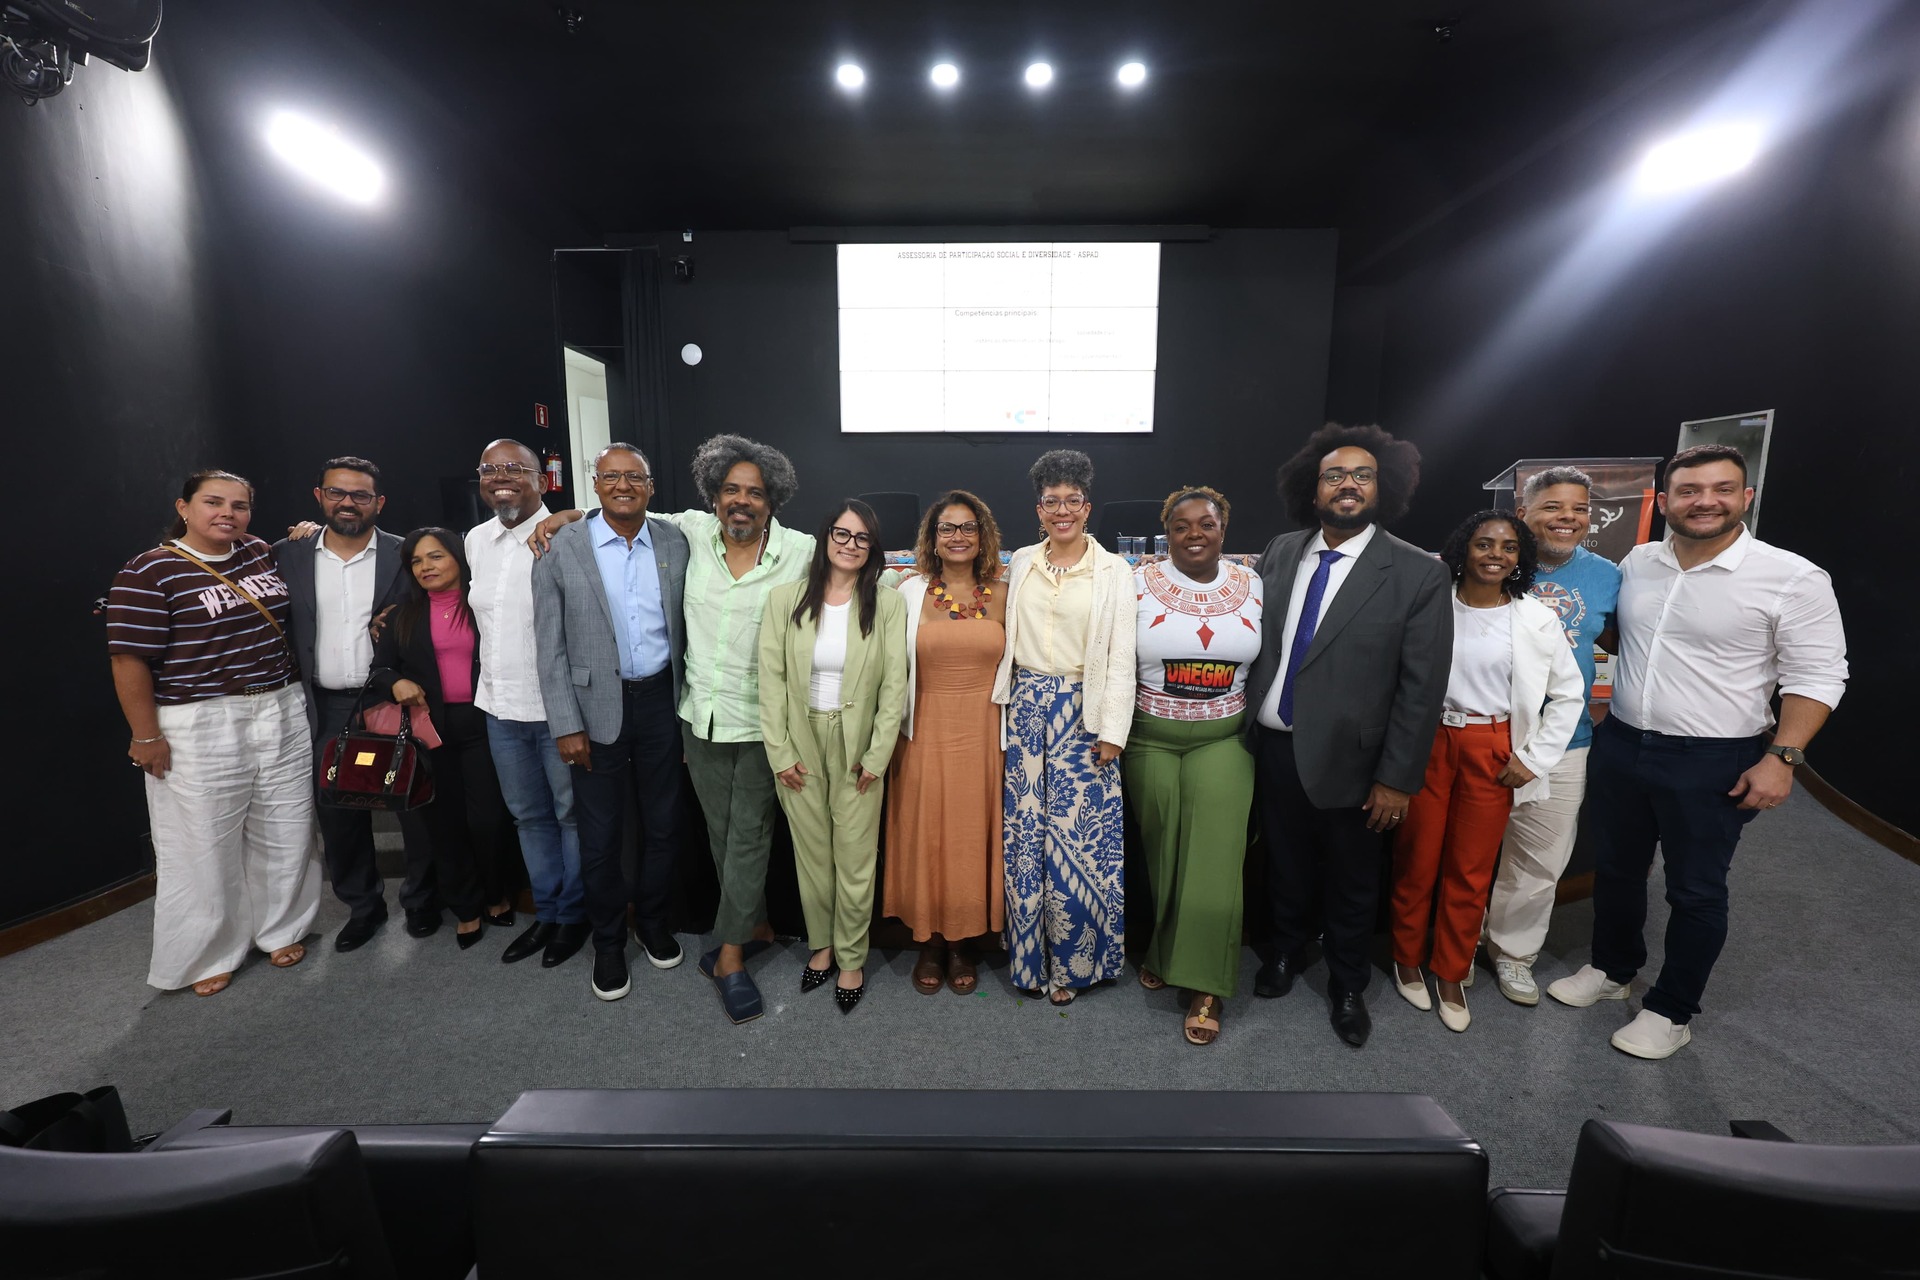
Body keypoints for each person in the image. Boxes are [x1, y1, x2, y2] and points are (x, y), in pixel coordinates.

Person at [1547, 445, 1847, 1059]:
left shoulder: (1792, 577)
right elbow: (1619, 636)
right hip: (1622, 743)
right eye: (1688, 490)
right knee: (1617, 870)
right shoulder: (1639, 561)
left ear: (1746, 497)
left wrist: (1783, 758)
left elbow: (1818, 674)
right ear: (1664, 502)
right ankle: (1612, 969)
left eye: (1721, 489)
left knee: (1696, 889)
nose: (1704, 501)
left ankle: (1671, 1009)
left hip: (1715, 759)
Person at [1244, 423, 1451, 1048]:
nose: (1348, 485)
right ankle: (1284, 952)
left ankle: (1347, 983)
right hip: (1273, 747)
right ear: (1313, 490)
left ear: (1382, 488)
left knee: (1353, 881)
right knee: (1283, 863)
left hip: (1358, 765)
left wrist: (1397, 779)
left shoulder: (1417, 573)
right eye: (1334, 475)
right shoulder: (1282, 551)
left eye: (1362, 475)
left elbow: (1421, 689)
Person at [106, 470, 320, 995]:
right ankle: (209, 952)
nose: (228, 513)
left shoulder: (259, 554)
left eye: (239, 505)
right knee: (201, 841)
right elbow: (129, 659)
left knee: (287, 825)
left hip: (280, 704)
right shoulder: (148, 570)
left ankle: (282, 929)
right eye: (213, 502)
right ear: (184, 507)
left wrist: (308, 533)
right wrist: (145, 735)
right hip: (200, 719)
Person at [1388, 511, 1584, 1032]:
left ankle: (1451, 971)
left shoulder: (1535, 617)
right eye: (1484, 543)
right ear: (1463, 549)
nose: (1496, 554)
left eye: (1509, 547)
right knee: (1416, 858)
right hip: (1429, 741)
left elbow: (1569, 694)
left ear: (1520, 557)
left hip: (1493, 747)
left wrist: (1533, 758)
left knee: (1471, 869)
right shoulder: (1432, 604)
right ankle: (1406, 958)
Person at [532, 444, 690, 1002]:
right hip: (591, 710)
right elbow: (548, 645)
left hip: (661, 703)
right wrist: (564, 724)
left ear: (650, 486)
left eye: (634, 477)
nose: (623, 485)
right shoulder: (559, 546)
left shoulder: (674, 540)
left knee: (663, 825)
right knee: (599, 837)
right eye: (611, 477)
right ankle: (608, 942)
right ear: (595, 484)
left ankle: (652, 922)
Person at [993, 449, 1137, 1005]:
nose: (1062, 511)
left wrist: (1113, 731)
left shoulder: (1114, 571)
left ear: (1087, 507)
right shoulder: (1022, 562)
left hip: (1086, 712)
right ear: (1039, 509)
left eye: (1072, 501)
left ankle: (1077, 966)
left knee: (1080, 845)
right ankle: (1031, 962)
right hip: (1026, 710)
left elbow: (1121, 656)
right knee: (1026, 840)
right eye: (1051, 501)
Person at [272, 457, 428, 951]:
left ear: (378, 503)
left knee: (415, 806)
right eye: (337, 492)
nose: (348, 503)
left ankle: (422, 901)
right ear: (318, 496)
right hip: (324, 705)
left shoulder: (407, 552)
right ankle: (363, 907)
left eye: (360, 495)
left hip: (393, 700)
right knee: (338, 813)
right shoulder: (287, 554)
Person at [759, 500, 908, 1014]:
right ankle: (821, 946)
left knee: (855, 858)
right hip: (799, 744)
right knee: (813, 856)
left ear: (873, 548)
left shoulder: (887, 604)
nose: (850, 545)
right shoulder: (784, 599)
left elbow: (894, 686)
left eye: (862, 537)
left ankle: (851, 956)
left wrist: (878, 755)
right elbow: (770, 681)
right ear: (825, 537)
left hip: (858, 748)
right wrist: (779, 753)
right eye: (842, 534)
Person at [1127, 486, 1263, 1045]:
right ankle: (1165, 951)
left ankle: (1207, 986)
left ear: (1223, 529)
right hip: (1149, 738)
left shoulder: (1254, 585)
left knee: (1215, 855)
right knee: (1164, 853)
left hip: (1224, 737)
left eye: (1206, 524)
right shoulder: (1135, 584)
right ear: (1167, 533)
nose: (1194, 534)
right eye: (1181, 526)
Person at [1482, 467, 1620, 1005]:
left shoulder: (1609, 576)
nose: (1568, 518)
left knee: (1540, 857)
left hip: (1566, 740)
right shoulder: (1492, 560)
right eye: (1553, 507)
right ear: (1524, 512)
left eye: (1580, 509)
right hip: (1486, 732)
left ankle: (1513, 954)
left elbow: (1623, 642)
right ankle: (1458, 940)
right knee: (1468, 848)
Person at [470, 438, 592, 970]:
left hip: (557, 711)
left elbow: (611, 519)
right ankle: (548, 911)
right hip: (499, 709)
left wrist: (574, 513)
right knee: (529, 818)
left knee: (571, 816)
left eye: (514, 469)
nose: (501, 477)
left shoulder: (570, 534)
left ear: (541, 481)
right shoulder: (475, 540)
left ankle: (573, 916)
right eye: (489, 469)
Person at [884, 490, 1008, 996]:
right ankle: (930, 940)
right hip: (923, 731)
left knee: (969, 838)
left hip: (984, 734)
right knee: (927, 834)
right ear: (932, 539)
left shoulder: (1005, 592)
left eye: (968, 527)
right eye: (947, 528)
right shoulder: (907, 591)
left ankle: (962, 942)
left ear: (983, 536)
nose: (958, 537)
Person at [368, 528, 515, 950]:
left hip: (484, 723)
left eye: (435, 557)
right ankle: (465, 906)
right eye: (416, 561)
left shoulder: (482, 605)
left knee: (488, 819)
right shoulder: (402, 615)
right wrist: (395, 682)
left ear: (458, 558)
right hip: (428, 730)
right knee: (443, 822)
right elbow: (379, 671)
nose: (425, 567)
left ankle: (497, 893)